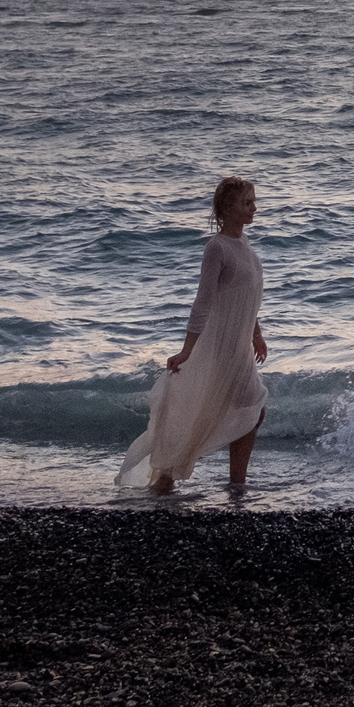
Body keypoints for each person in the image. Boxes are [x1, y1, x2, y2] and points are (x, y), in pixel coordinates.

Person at [117, 177, 270, 494]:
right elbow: (204, 302)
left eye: (254, 201)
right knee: (239, 409)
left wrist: (257, 334)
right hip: (220, 346)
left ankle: (185, 480)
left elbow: (247, 299)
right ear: (228, 208)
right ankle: (223, 483)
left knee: (236, 410)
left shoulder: (246, 248)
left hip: (240, 347)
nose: (254, 207)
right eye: (247, 202)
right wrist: (188, 351)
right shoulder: (217, 249)